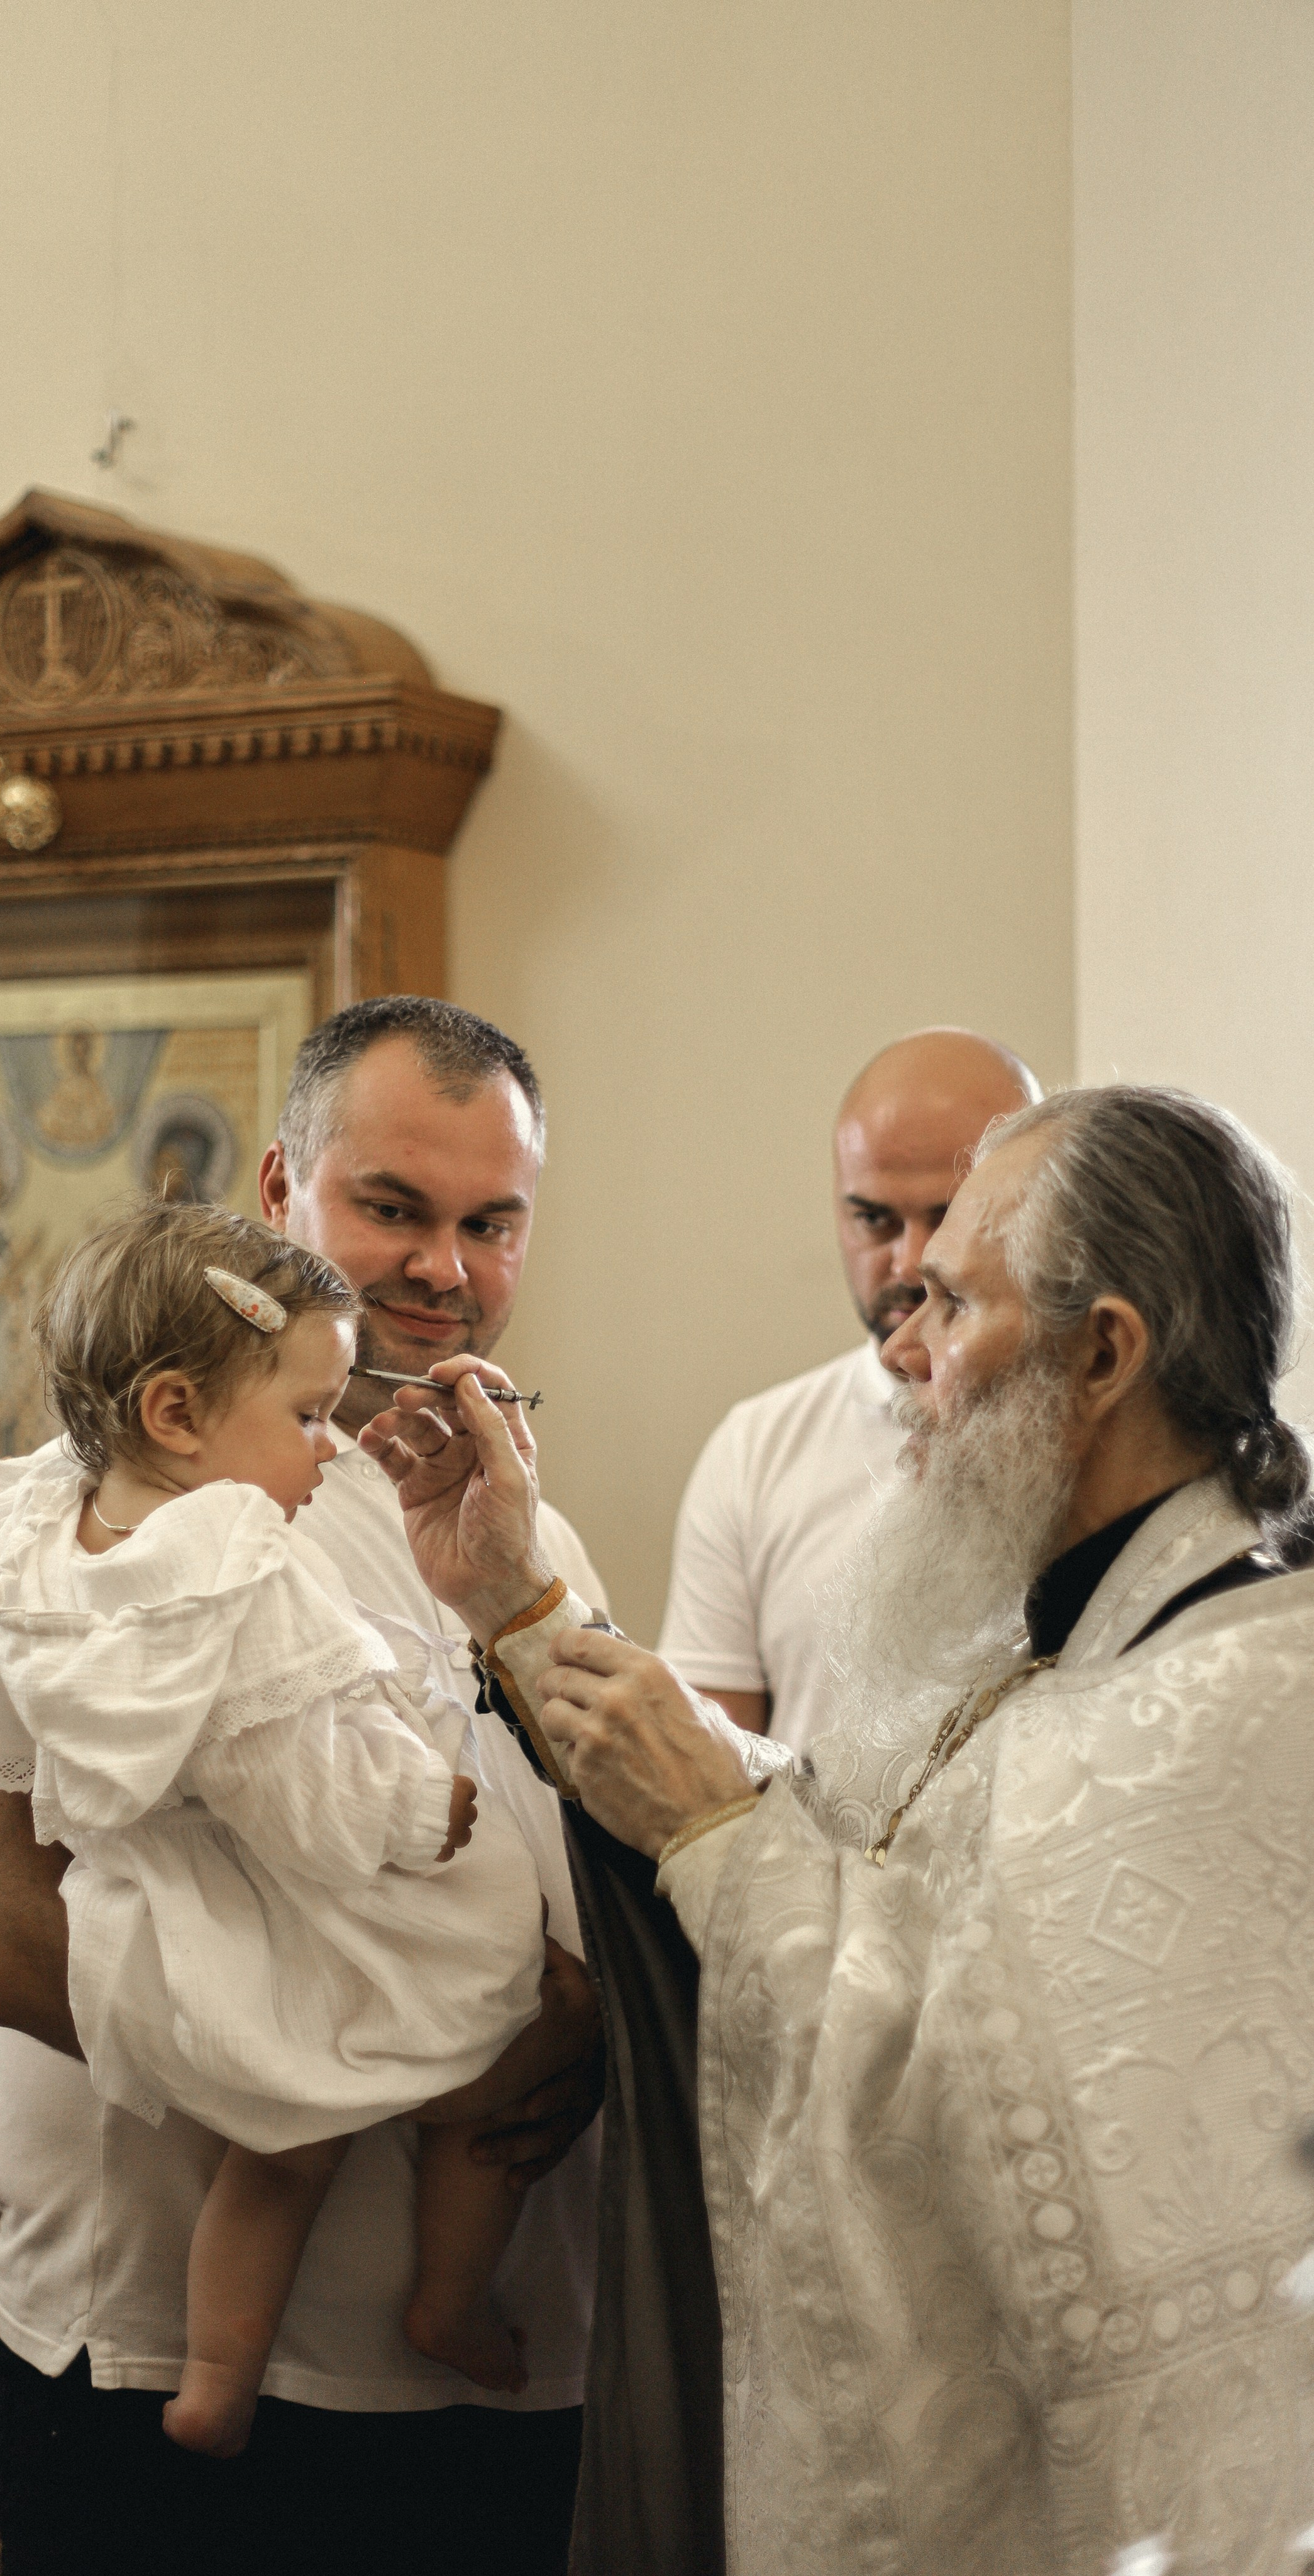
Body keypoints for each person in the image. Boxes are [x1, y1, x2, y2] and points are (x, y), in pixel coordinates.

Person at [363, 1084, 1314, 2573]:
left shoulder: (1228, 1704)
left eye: (948, 1303)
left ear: (1104, 1353)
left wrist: (715, 1843)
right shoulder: (1084, 1645)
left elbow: (946, 2115)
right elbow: (850, 1856)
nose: (901, 1355)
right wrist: (517, 1607)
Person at [0, 999, 607, 2576]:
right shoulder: (104, 1523)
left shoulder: (531, 1526)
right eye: (393, 1208)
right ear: (277, 1193)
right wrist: (457, 2061)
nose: (445, 1268)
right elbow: (12, 1946)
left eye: (489, 1222)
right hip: (174, 2373)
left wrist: (596, 2031)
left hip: (487, 2386)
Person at [658, 1026, 1039, 1743]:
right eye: (873, 1219)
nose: (907, 1262)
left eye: (948, 1216)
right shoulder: (754, 1449)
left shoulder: (1102, 1437)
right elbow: (705, 1782)